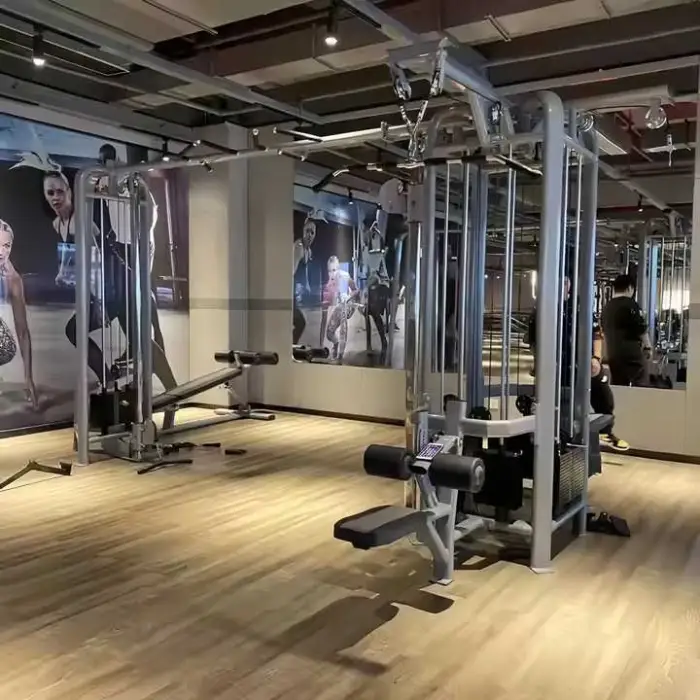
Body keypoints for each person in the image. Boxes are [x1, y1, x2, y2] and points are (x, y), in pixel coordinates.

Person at [96, 144, 177, 391]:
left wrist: (139, 248)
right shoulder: (110, 180)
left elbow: (148, 218)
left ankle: (167, 384)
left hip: (137, 249)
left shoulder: (133, 182)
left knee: (145, 316)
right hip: (126, 248)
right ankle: (154, 374)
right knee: (143, 317)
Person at [528, 276, 629, 452]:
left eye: (565, 282)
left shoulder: (580, 307)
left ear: (569, 285)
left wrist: (596, 358)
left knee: (603, 393)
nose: (562, 286)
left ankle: (605, 432)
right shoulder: (541, 310)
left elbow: (597, 335)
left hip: (583, 363)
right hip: (555, 365)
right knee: (557, 406)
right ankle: (552, 441)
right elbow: (534, 342)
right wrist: (539, 363)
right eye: (558, 282)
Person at [0, 220, 38, 408]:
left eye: (6, 246)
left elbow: (22, 330)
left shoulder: (12, 278)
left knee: (6, 346)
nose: (1, 252)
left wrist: (28, 378)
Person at [600, 273, 651, 386]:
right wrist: (648, 347)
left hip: (613, 352)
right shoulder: (631, 305)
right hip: (631, 352)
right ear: (629, 288)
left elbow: (603, 331)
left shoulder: (607, 307)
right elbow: (641, 328)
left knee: (618, 383)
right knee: (640, 380)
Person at [321, 255, 359, 363]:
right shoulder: (329, 282)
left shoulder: (344, 276)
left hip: (349, 304)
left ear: (338, 268)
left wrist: (348, 296)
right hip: (340, 306)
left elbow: (356, 290)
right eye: (330, 271)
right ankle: (336, 343)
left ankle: (340, 355)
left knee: (343, 325)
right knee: (329, 333)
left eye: (334, 270)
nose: (332, 273)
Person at [293, 215, 316, 344]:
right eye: (307, 231)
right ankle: (289, 348)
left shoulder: (309, 251)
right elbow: (290, 271)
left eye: (312, 232)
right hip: (287, 293)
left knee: (299, 323)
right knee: (300, 323)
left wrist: (306, 286)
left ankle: (290, 347)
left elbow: (305, 270)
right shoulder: (299, 247)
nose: (309, 235)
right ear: (302, 231)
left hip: (293, 295)